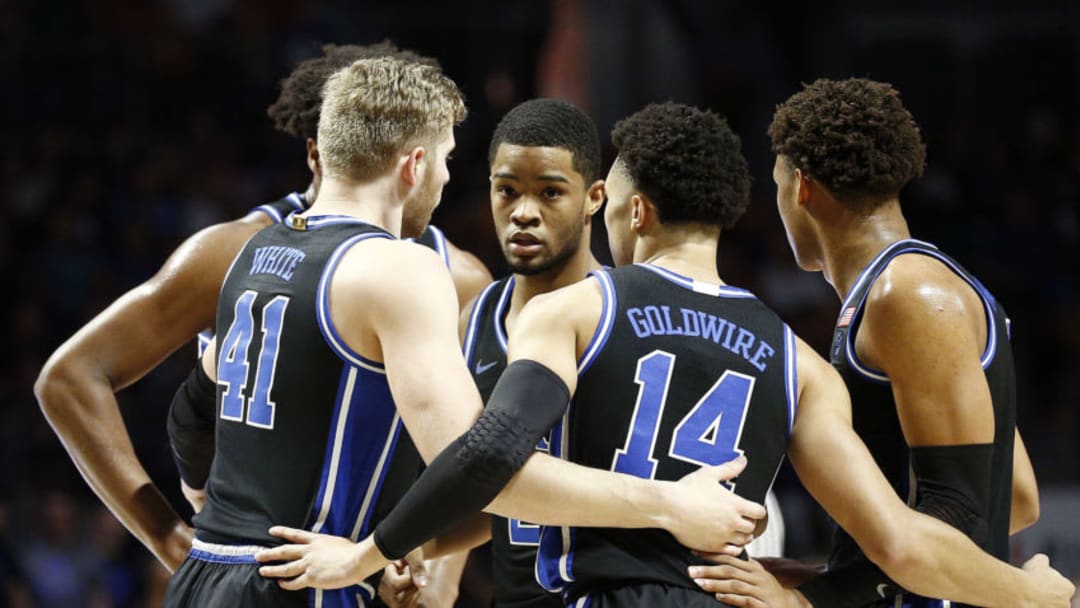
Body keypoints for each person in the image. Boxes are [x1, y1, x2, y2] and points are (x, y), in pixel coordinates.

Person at [255, 102, 1074, 608]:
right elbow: (907, 535)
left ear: (633, 211)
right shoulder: (798, 360)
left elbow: (493, 458)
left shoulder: (574, 309)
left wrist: (373, 550)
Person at [170, 59, 765, 607]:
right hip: (305, 580)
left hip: (207, 571)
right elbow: (479, 468)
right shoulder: (402, 268)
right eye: (449, 159)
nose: (449, 176)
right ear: (415, 164)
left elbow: (191, 412)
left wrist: (206, 503)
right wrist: (670, 504)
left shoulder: (256, 251)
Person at [31, 41, 491, 574]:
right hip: (263, 557)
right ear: (320, 150)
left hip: (364, 564)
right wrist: (167, 536)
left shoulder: (457, 275)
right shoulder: (231, 250)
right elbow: (72, 377)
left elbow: (455, 456)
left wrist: (431, 573)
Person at [693, 77, 1042, 608]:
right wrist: (824, 573)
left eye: (778, 186)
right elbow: (1013, 500)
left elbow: (965, 516)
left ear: (802, 187)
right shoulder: (901, 290)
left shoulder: (906, 294)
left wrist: (817, 596)